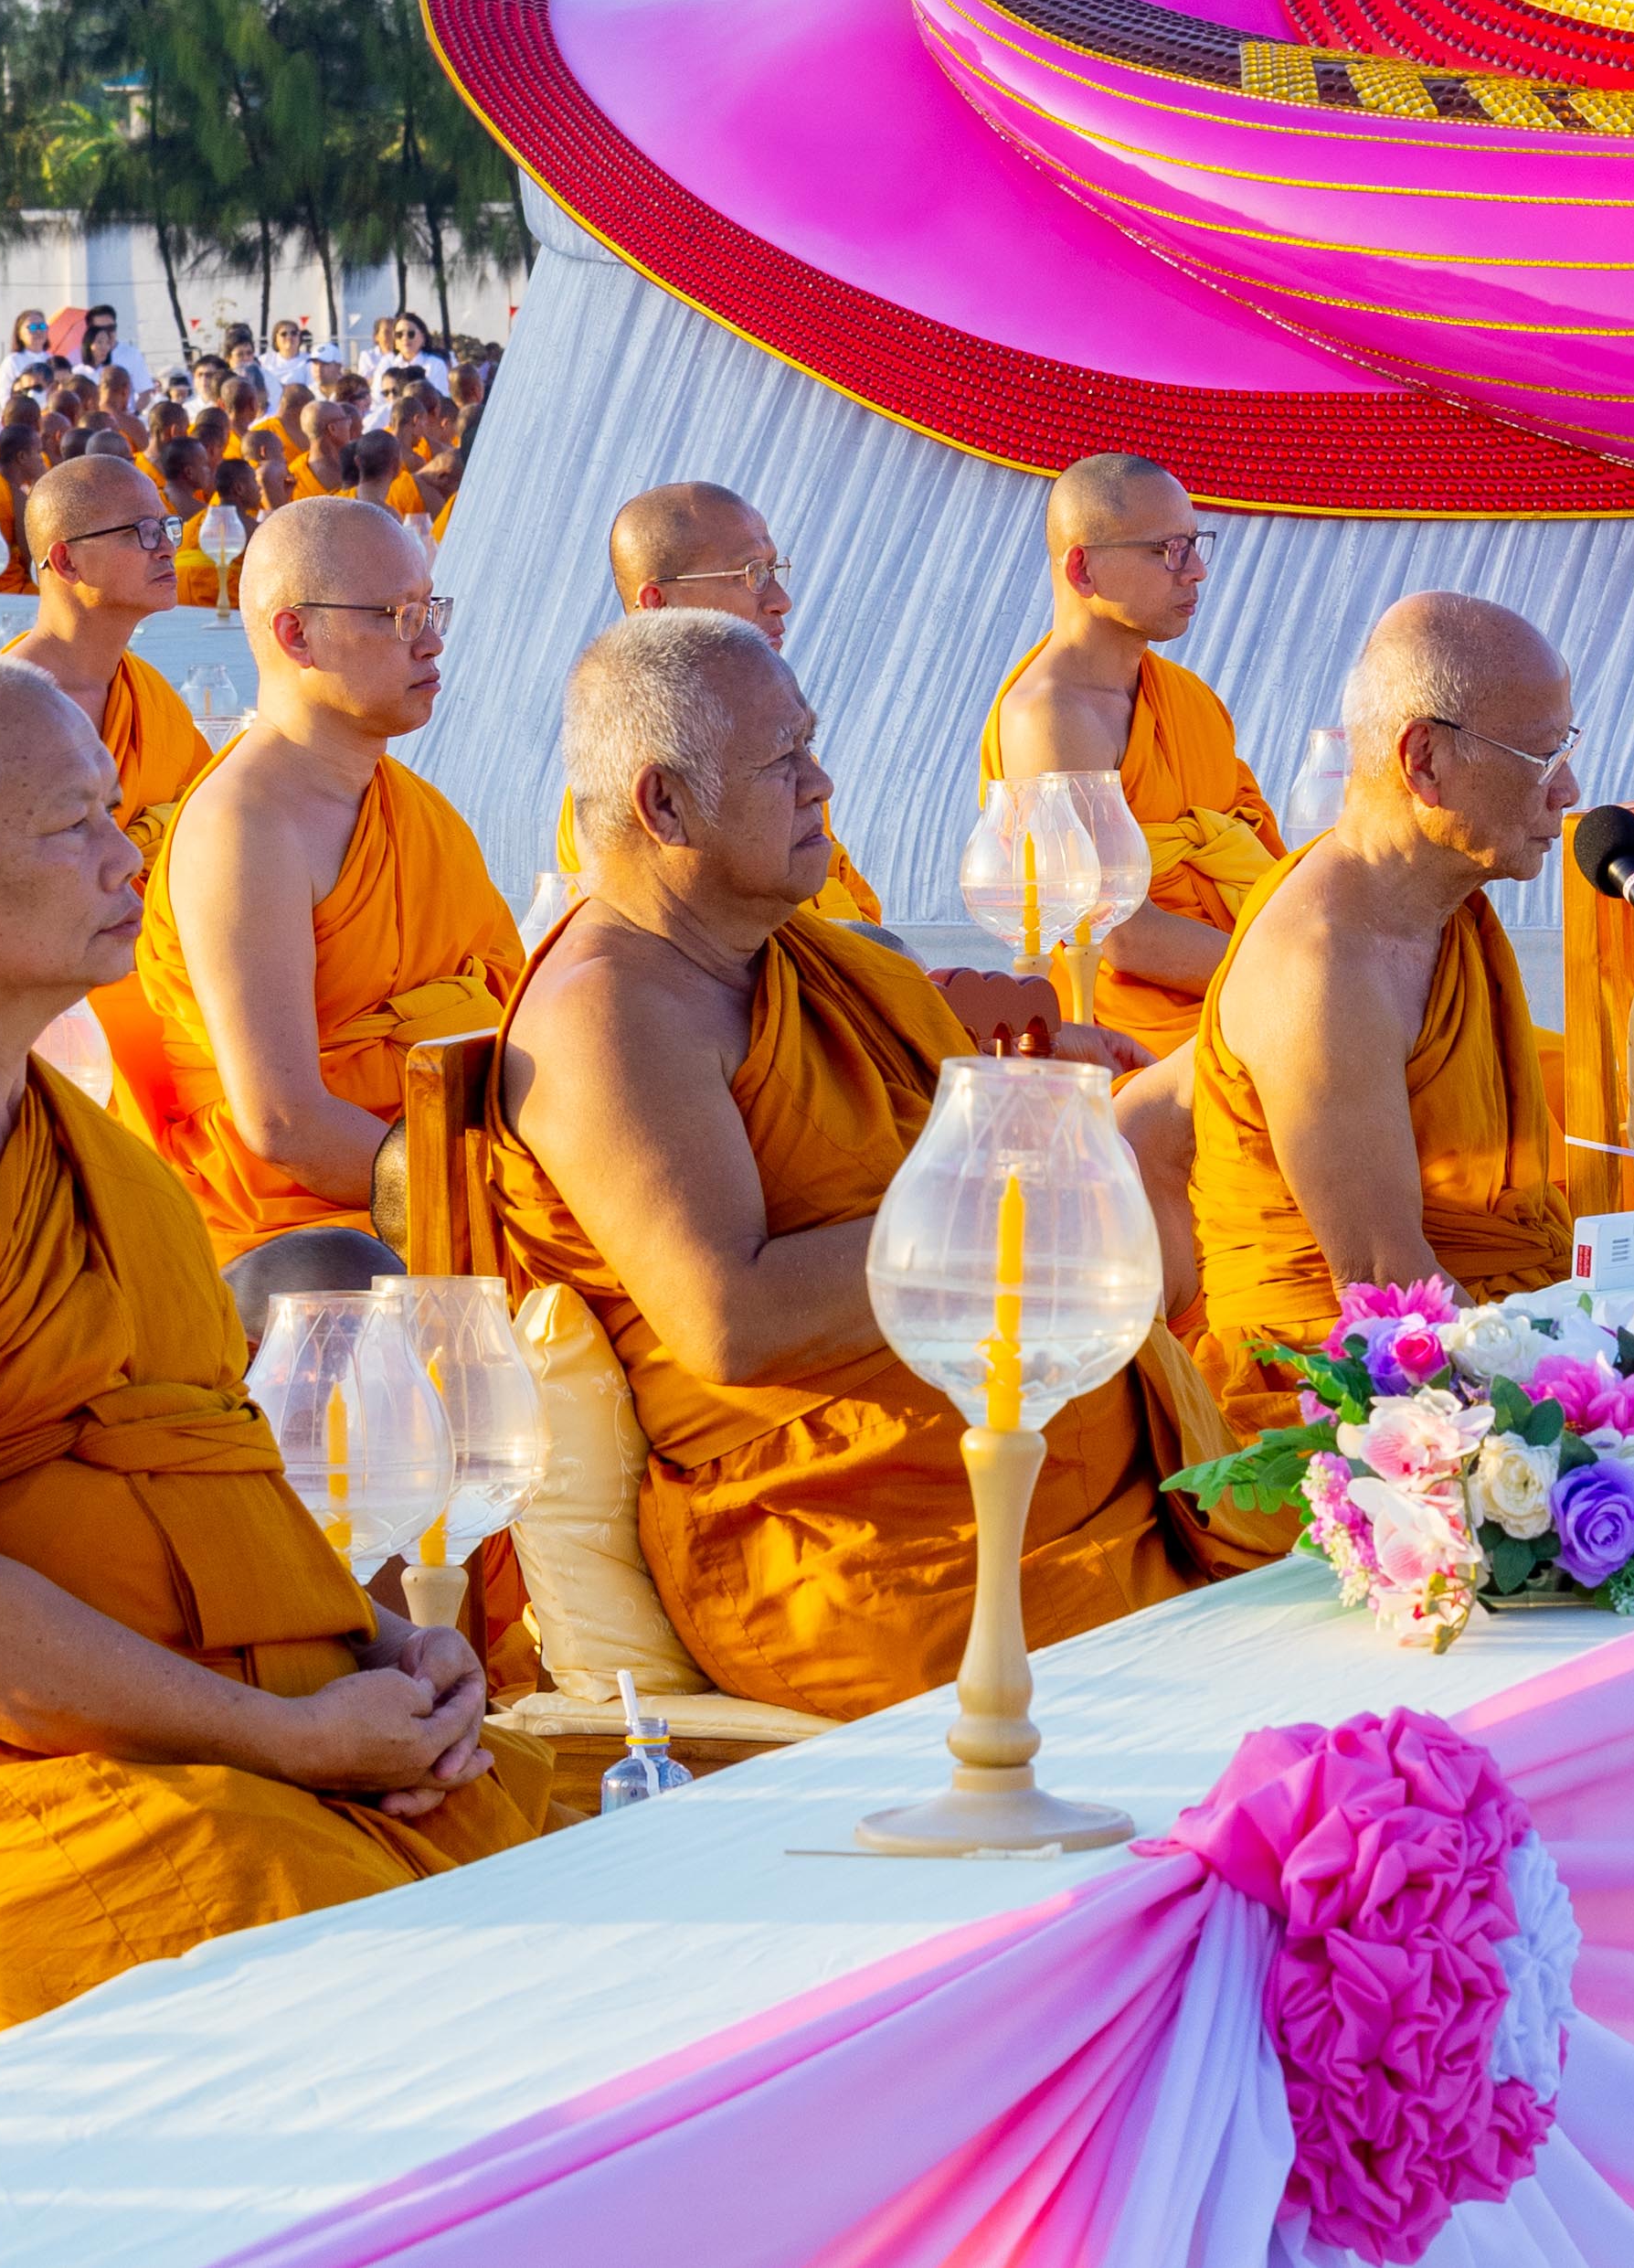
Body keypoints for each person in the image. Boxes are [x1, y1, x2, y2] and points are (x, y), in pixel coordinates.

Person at [0, 656, 536, 2036]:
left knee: (547, 1885)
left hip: (209, 1716)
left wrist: (380, 1642)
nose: (127, 855)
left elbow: (200, 1447)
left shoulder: (64, 1130)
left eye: (120, 813)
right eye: (71, 824)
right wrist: (292, 1739)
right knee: (372, 1969)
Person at [487, 612, 1209, 1716]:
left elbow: (912, 1144)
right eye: (781, 759)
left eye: (808, 742)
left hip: (1035, 1479)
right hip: (858, 1548)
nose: (821, 779)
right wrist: (1029, 1195)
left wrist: (1035, 1091)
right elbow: (731, 1314)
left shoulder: (802, 955)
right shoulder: (611, 1015)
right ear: (662, 803)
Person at [1181, 596, 1576, 1445]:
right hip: (1338, 1413)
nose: (1569, 793)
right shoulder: (1321, 965)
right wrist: (1592, 1412)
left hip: (1493, 1342)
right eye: (1543, 758)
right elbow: (1390, 1296)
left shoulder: (1444, 907)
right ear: (1424, 760)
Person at [132, 497, 519, 1302]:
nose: (432, 640)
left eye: (431, 609)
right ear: (295, 634)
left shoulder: (410, 805)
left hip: (462, 1166)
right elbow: (285, 1124)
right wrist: (491, 1196)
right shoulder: (245, 828)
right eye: (398, 615)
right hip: (323, 1227)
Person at [981, 454, 1280, 1050]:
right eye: (1168, 549)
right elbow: (1121, 936)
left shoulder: (1189, 699)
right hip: (1137, 1028)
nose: (1194, 570)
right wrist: (1294, 971)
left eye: (1195, 545)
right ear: (1082, 568)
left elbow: (1252, 851)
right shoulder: (1050, 716)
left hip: (1235, 983)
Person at [8, 453, 216, 1107]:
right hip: (61, 1003)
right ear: (66, 562)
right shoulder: (6, 705)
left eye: (167, 527)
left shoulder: (150, 696)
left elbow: (211, 834)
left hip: (165, 967)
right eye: (140, 533)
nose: (168, 550)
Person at [601, 482, 894, 930]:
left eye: (775, 570)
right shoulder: (640, 778)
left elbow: (856, 919)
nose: (781, 601)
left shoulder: (772, 747)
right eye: (752, 573)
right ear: (658, 604)